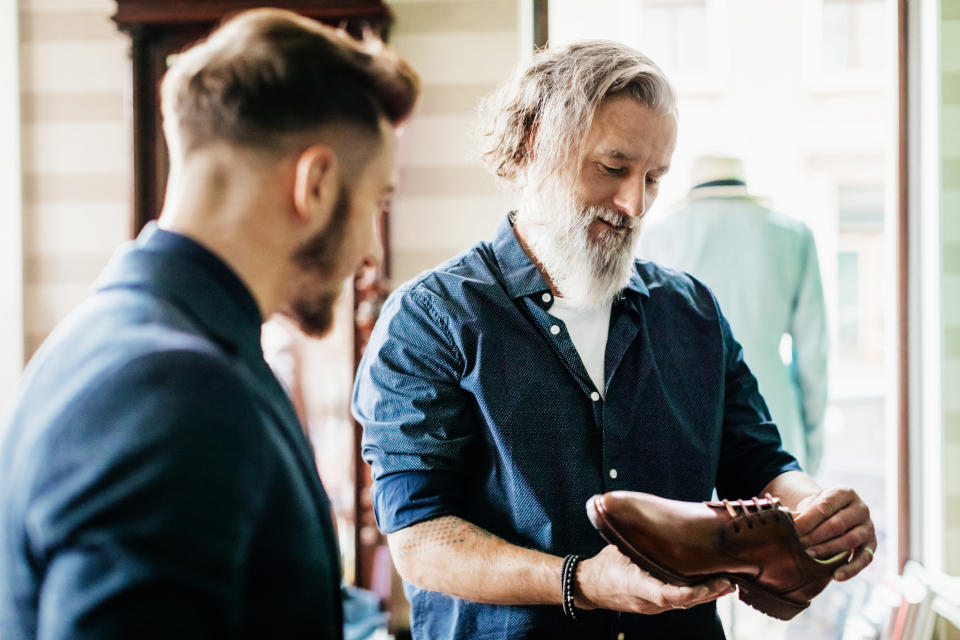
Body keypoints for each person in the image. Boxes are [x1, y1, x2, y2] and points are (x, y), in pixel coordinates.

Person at [352, 40, 874, 639]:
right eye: (613, 167)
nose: (634, 203)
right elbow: (420, 538)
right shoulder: (431, 318)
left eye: (654, 178)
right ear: (533, 144)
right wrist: (582, 583)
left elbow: (759, 464)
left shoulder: (693, 311)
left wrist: (817, 509)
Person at [0, 9, 418, 639]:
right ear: (317, 184)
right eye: (374, 204)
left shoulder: (126, 338)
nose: (370, 252)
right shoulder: (169, 388)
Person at [641, 155, 828, 474]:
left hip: (686, 414)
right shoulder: (793, 235)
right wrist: (812, 447)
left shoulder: (658, 235)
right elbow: (813, 354)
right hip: (774, 412)